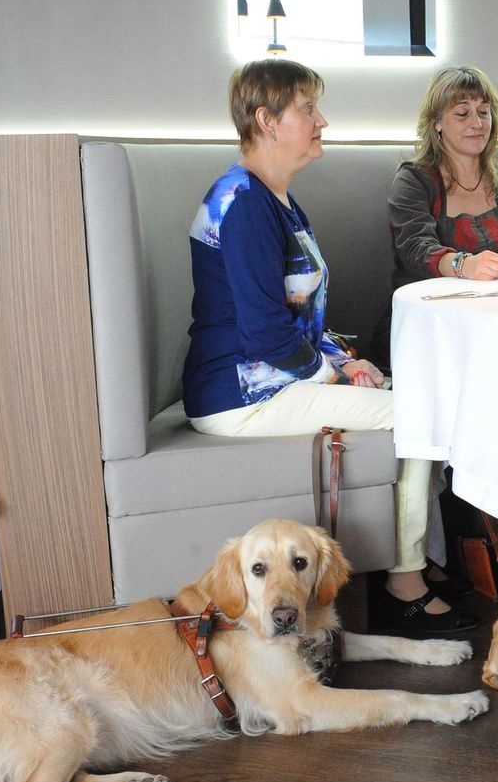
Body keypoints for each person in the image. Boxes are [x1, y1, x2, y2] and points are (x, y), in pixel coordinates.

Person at [182, 58, 475, 633]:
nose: (321, 120)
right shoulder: (242, 204)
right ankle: (405, 582)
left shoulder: (278, 200)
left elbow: (300, 324)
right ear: (266, 120)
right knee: (417, 412)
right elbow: (265, 336)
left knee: (411, 394)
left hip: (271, 379)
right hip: (239, 394)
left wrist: (345, 360)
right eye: (307, 109)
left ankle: (428, 560)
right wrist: (332, 375)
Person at [387, 65, 498, 291]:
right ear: (437, 122)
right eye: (462, 113)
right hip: (436, 313)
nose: (477, 124)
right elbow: (414, 249)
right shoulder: (414, 180)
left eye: (484, 112)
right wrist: (464, 264)